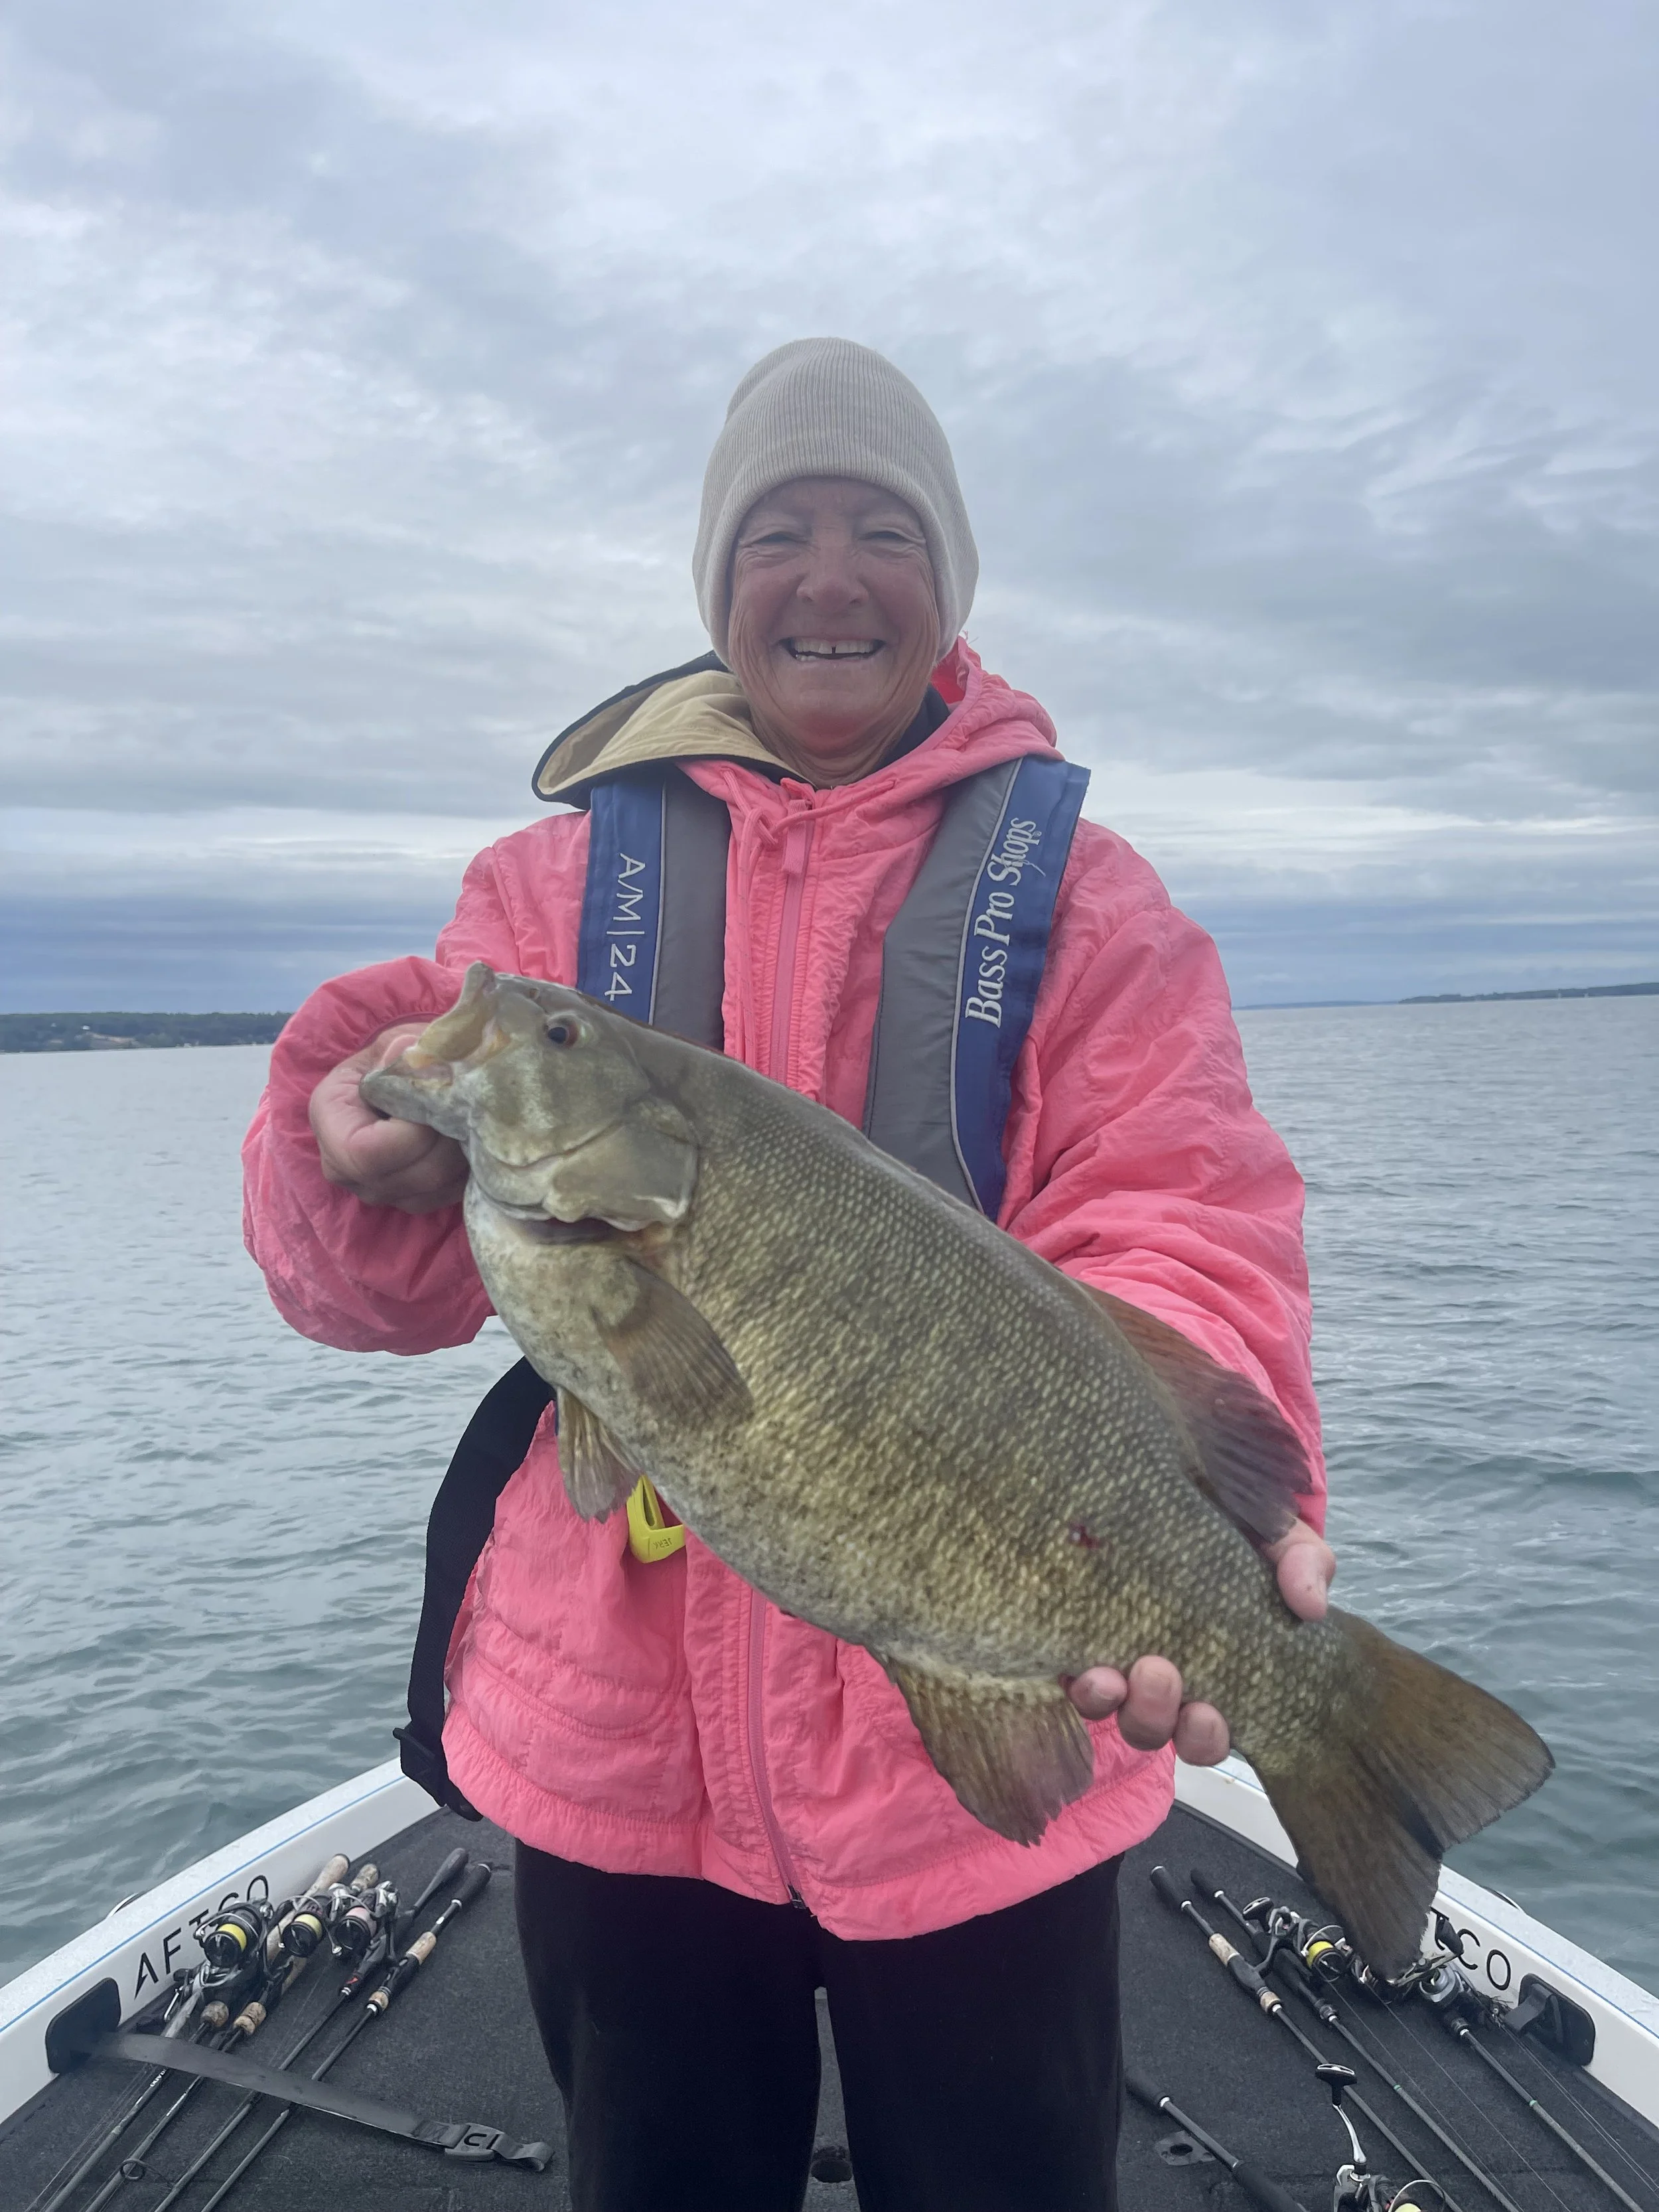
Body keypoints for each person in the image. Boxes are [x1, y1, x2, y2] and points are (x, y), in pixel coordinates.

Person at [244, 337, 1334, 2212]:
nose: (827, 573)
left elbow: (1185, 1214)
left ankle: (1347, 1726)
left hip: (979, 1767)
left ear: (948, 581)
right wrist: (340, 1138)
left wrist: (1221, 1503)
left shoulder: (1091, 906)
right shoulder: (546, 896)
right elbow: (366, 1281)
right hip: (614, 1757)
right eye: (777, 531)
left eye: (881, 527)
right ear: (715, 582)